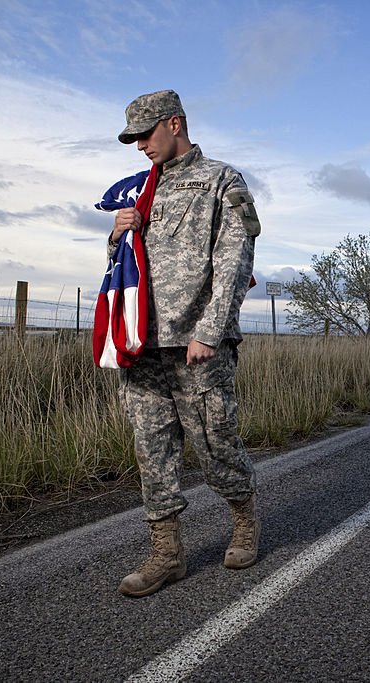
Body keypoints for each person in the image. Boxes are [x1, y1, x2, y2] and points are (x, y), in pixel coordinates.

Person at [109, 89, 261, 598]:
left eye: (145, 135)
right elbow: (124, 267)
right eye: (132, 139)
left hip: (197, 343)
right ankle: (166, 555)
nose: (138, 147)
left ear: (174, 124)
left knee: (214, 445)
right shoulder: (137, 190)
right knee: (152, 451)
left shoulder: (222, 180)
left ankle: (243, 521)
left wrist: (210, 331)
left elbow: (235, 262)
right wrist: (116, 235)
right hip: (143, 345)